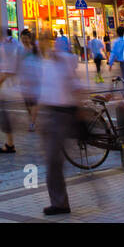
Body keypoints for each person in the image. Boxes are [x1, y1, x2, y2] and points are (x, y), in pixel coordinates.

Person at [38, 35, 85, 216]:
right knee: (52, 161)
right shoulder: (47, 64)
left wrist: (80, 112)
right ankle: (59, 201)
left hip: (61, 114)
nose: (44, 45)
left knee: (53, 161)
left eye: (46, 41)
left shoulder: (63, 61)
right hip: (51, 114)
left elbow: (76, 87)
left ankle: (60, 203)